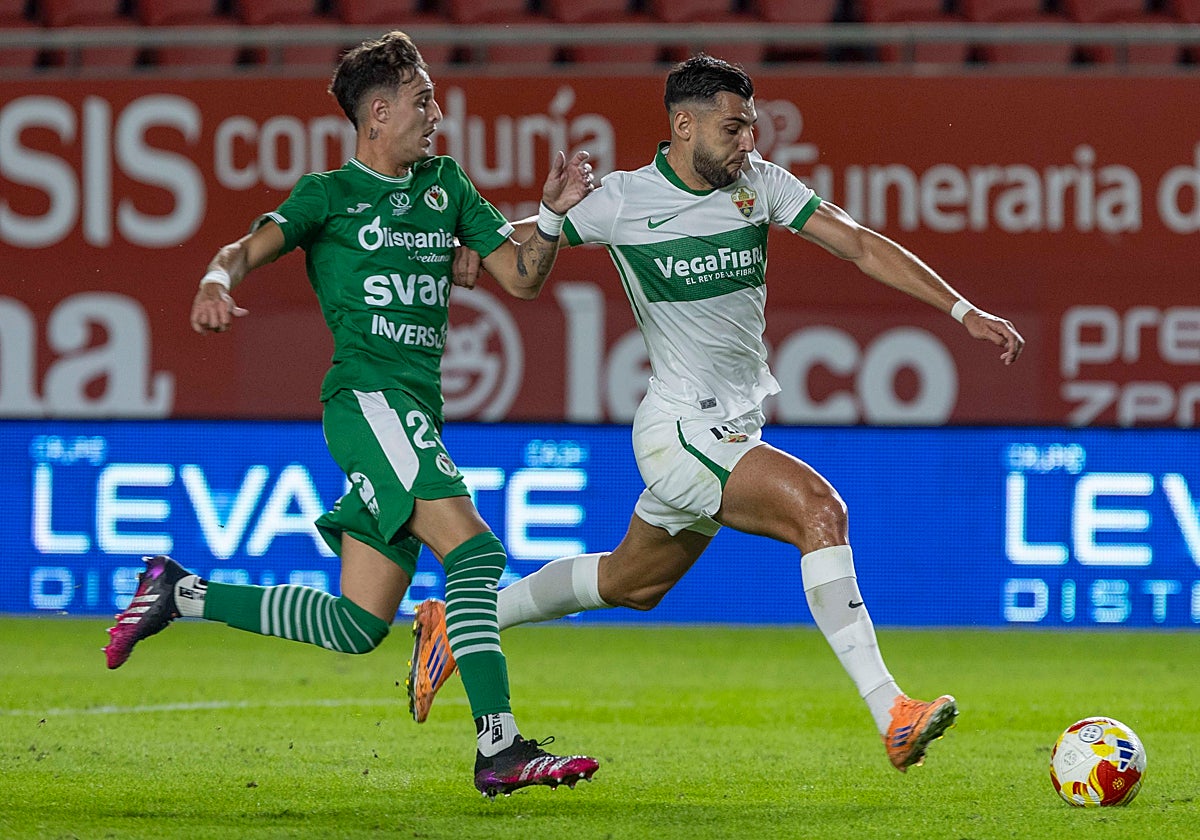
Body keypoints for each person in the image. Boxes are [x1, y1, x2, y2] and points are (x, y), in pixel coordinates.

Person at [407, 54, 1025, 774]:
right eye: (733, 129)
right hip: (680, 430)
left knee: (631, 583)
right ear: (683, 125)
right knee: (820, 510)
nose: (748, 142)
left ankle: (460, 620)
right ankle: (892, 710)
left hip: (730, 427)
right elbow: (512, 245)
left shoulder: (760, 186)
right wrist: (458, 248)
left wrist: (962, 310)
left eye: (751, 128)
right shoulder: (622, 200)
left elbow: (858, 242)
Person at [102, 30, 600, 800]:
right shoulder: (327, 196)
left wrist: (553, 218)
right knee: (475, 555)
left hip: (413, 412)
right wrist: (213, 280)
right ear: (378, 113)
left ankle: (178, 592)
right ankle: (498, 746)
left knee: (357, 623)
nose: (436, 113)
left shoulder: (447, 186)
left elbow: (522, 277)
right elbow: (242, 250)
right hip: (369, 400)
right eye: (422, 100)